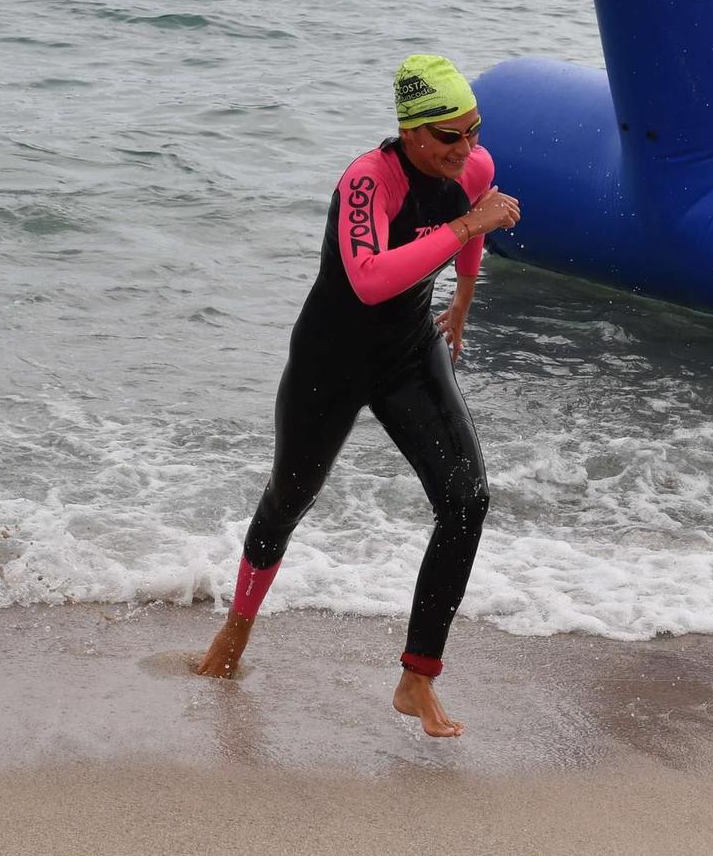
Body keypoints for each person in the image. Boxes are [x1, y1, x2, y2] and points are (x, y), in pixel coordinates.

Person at [195, 55, 522, 738]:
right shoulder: (367, 180)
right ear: (409, 132)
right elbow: (370, 278)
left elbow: (471, 223)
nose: (464, 151)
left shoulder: (474, 170)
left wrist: (461, 300)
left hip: (408, 353)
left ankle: (417, 676)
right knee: (289, 496)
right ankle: (234, 630)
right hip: (331, 359)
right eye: (447, 136)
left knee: (467, 498)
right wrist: (467, 228)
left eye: (473, 132)